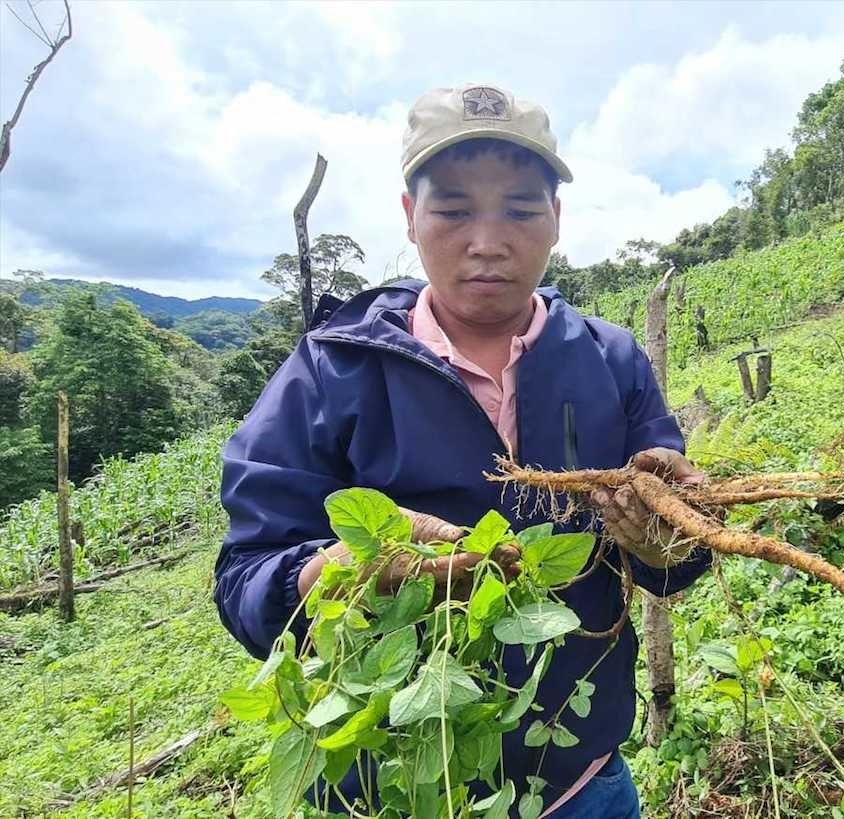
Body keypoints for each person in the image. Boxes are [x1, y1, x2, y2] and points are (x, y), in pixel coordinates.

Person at [213, 84, 711, 818]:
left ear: (556, 220)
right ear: (411, 218)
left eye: (519, 209)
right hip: (397, 786)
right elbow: (244, 583)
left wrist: (673, 541)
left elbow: (676, 556)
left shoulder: (612, 361)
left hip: (584, 777)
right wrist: (328, 574)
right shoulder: (330, 372)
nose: (488, 241)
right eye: (452, 210)